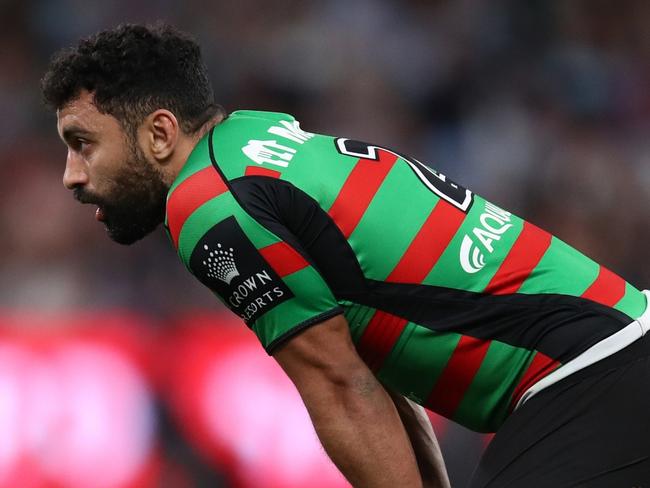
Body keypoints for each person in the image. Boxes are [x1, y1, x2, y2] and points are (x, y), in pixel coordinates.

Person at [41, 24, 649, 487]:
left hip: (588, 378)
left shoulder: (210, 207)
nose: (71, 175)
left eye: (83, 143)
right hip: (615, 355)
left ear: (159, 133)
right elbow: (373, 376)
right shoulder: (253, 141)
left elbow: (339, 387)